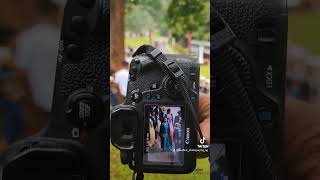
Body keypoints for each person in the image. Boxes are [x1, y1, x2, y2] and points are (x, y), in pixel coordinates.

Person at [15, 0, 65, 113]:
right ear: (57, 13)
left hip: (40, 102)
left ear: (37, 13)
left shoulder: (26, 38)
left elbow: (21, 73)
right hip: (66, 100)